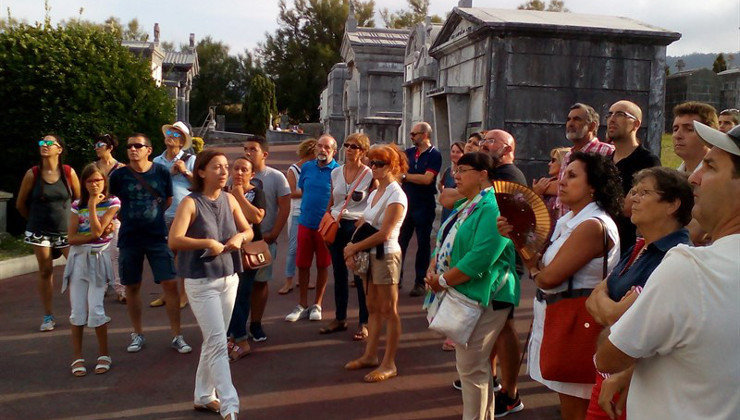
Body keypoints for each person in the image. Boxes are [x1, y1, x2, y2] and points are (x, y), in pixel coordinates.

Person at [595, 122, 740, 420]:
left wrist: (620, 318)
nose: (695, 178)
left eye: (710, 166)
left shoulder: (690, 267)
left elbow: (607, 357)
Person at [501, 152, 622, 420]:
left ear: (593, 186)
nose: (562, 181)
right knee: (571, 402)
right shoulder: (571, 221)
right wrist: (517, 238)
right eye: (563, 174)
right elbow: (542, 265)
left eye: (572, 176)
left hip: (578, 323)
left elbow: (547, 277)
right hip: (564, 319)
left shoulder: (592, 225)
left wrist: (532, 264)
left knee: (576, 408)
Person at [584, 167, 693, 420]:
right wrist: (611, 306)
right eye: (635, 192)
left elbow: (615, 315)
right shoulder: (640, 246)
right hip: (612, 373)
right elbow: (595, 300)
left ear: (672, 205)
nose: (634, 198)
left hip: (636, 379)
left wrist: (609, 304)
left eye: (645, 193)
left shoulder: (676, 255)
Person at [426, 152, 520, 420]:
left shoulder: (493, 207)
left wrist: (443, 280)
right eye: (456, 169)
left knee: (471, 368)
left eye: (463, 169)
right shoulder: (469, 204)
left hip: (488, 294)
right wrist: (434, 266)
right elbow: (447, 240)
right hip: (471, 292)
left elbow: (481, 256)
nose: (456, 175)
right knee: (472, 367)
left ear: (483, 175)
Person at [169, 149, 252, 420]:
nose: (225, 171)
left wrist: (240, 238)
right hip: (200, 281)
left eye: (225, 166)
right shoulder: (190, 203)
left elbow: (249, 229)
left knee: (213, 339)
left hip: (229, 277)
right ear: (201, 172)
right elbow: (175, 240)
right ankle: (230, 404)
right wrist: (206, 243)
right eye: (217, 167)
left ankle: (203, 396)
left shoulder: (230, 198)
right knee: (218, 341)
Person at [109, 133, 191, 354]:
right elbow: (112, 201)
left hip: (156, 235)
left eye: (138, 145)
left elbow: (168, 200)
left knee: (170, 284)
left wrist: (151, 216)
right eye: (129, 146)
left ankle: (177, 335)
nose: (133, 149)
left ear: (149, 149)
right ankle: (137, 333)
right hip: (129, 237)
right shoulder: (119, 176)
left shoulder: (161, 172)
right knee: (132, 286)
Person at [343, 143, 408, 383]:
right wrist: (355, 243)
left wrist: (353, 247)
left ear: (391, 166)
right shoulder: (376, 191)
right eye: (371, 163)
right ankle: (370, 355)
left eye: (378, 164)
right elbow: (368, 221)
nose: (373, 167)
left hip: (386, 254)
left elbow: (386, 233)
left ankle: (389, 362)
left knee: (389, 310)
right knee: (372, 306)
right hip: (369, 254)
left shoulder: (396, 195)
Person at [16, 134, 81, 331]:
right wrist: (34, 223)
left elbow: (79, 201)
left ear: (59, 149)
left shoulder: (69, 173)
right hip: (40, 231)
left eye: (49, 143)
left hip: (65, 231)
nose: (44, 146)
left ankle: (78, 310)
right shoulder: (32, 174)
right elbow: (20, 204)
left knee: (76, 270)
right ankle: (48, 316)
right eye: (42, 142)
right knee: (45, 271)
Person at [64, 164, 120, 377]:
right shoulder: (77, 205)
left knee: (96, 308)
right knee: (77, 310)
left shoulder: (113, 202)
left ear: (104, 181)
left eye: (98, 180)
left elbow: (98, 230)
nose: (94, 185)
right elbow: (71, 237)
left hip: (99, 259)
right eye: (89, 181)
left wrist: (94, 206)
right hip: (78, 259)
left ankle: (104, 354)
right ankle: (77, 357)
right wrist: (93, 236)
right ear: (84, 183)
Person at [321, 133, 374, 339]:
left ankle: (364, 322)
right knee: (339, 273)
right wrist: (326, 220)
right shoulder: (336, 172)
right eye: (347, 145)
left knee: (360, 275)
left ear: (363, 151)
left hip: (357, 226)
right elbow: (333, 198)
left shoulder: (370, 174)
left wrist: (366, 221)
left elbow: (374, 201)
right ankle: (340, 317)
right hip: (336, 223)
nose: (349, 149)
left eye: (355, 146)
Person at [285, 135, 340, 322]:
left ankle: (317, 304)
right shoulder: (306, 167)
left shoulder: (338, 171)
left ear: (334, 151)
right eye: (320, 146)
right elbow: (303, 191)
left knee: (323, 265)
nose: (322, 150)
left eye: (327, 147)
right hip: (305, 222)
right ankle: (302, 304)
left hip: (325, 226)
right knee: (302, 264)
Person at [243, 135, 290, 341]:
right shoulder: (237, 176)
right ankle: (237, 324)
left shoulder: (276, 177)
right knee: (238, 284)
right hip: (240, 240)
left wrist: (274, 234)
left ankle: (256, 323)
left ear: (264, 154)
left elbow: (284, 207)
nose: (248, 153)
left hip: (264, 239)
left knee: (260, 282)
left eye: (253, 149)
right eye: (245, 149)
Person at [150, 121, 196, 309]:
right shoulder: (157, 161)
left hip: (183, 212)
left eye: (176, 135)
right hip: (163, 212)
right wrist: (169, 172)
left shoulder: (190, 159)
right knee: (164, 255)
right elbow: (151, 183)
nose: (171, 136)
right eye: (169, 132)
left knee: (183, 255)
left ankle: (184, 295)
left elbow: (200, 183)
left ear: (182, 141)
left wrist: (185, 172)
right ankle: (167, 293)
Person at [606, 100, 661, 254]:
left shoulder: (647, 161)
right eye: (609, 114)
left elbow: (632, 207)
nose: (612, 118)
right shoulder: (605, 162)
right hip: (602, 245)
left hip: (628, 247)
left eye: (620, 114)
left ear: (636, 124)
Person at [227, 157, 265, 359]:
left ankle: (240, 337)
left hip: (249, 251)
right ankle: (232, 335)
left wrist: (239, 196)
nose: (239, 173)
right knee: (228, 295)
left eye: (244, 170)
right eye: (236, 168)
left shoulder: (256, 193)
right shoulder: (223, 191)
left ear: (252, 174)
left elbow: (257, 217)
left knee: (242, 294)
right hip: (227, 250)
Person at [400, 121, 442, 297]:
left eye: (414, 134)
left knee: (423, 244)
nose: (411, 137)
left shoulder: (434, 155)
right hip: (406, 203)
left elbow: (427, 179)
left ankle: (419, 281)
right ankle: (396, 277)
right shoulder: (408, 153)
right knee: (400, 242)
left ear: (424, 135)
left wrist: (405, 176)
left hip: (424, 204)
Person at [556, 103, 615, 217]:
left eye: (577, 119)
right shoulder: (568, 156)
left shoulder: (607, 151)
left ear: (592, 126)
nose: (571, 123)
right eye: (568, 119)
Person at [279, 138, 316, 295]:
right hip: (297, 212)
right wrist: (312, 190)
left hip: (312, 211)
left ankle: (303, 278)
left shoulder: (316, 168)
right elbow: (292, 192)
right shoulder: (293, 170)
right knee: (293, 248)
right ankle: (289, 280)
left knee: (308, 248)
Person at [93, 133, 126, 303]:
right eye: (96, 145)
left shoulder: (121, 168)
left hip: (115, 213)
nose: (97, 148)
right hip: (95, 213)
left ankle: (121, 288)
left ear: (110, 147)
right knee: (99, 252)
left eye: (101, 144)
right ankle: (102, 285)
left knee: (115, 251)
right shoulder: (92, 167)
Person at [671, 101, 718, 174]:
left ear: (709, 134)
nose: (677, 135)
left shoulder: (722, 176)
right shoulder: (672, 179)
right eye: (675, 129)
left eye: (689, 129)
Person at [533, 146, 570, 221]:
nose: (549, 164)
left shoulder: (568, 184)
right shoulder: (547, 182)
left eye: (553, 161)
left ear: (563, 162)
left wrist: (537, 191)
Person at [439, 141, 465, 223]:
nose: (454, 154)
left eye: (458, 152)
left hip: (459, 210)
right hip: (447, 210)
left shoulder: (465, 172)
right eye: (453, 151)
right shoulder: (448, 170)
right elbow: (441, 184)